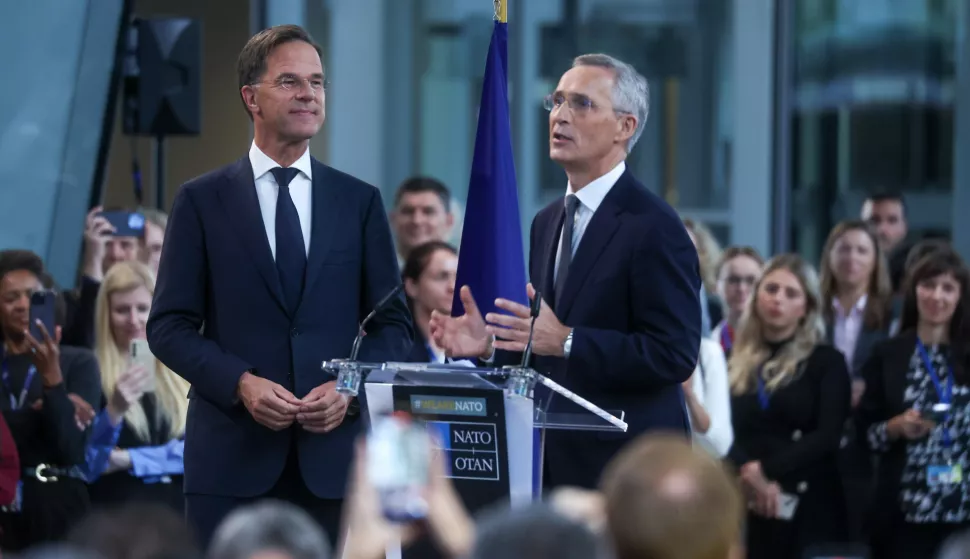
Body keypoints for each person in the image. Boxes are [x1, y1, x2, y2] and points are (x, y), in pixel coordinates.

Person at [146, 24, 412, 546]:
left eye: (317, 82)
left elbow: (394, 325)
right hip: (230, 463)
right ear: (251, 97)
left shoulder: (358, 202)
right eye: (290, 81)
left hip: (333, 467)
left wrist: (349, 386)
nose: (309, 94)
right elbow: (168, 326)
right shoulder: (200, 200)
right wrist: (240, 382)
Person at [429, 53, 701, 490]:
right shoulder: (548, 219)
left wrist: (571, 340)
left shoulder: (654, 225)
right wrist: (488, 347)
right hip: (553, 462)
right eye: (556, 102)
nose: (560, 116)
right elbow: (541, 345)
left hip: (630, 470)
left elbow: (674, 353)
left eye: (582, 104)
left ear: (625, 127)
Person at [726, 254, 850, 559]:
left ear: (806, 307)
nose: (777, 299)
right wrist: (750, 475)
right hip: (743, 495)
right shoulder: (733, 360)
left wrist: (765, 472)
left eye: (791, 293)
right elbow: (720, 427)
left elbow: (827, 435)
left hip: (805, 499)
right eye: (770, 289)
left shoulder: (826, 361)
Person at [857, 248, 970, 559]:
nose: (937, 296)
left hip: (962, 509)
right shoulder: (888, 354)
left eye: (948, 288)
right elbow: (863, 433)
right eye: (928, 285)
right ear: (913, 291)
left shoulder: (966, 354)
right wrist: (894, 428)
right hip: (903, 509)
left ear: (960, 296)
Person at [84, 261, 189, 513]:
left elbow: (201, 452)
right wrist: (114, 412)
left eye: (142, 308)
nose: (134, 320)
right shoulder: (90, 370)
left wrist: (129, 459)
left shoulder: (181, 369)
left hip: (176, 515)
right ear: (106, 315)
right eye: (122, 310)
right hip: (116, 515)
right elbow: (88, 465)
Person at [401, 241, 458, 363]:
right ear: (412, 286)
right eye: (442, 277)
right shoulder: (396, 344)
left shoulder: (472, 342)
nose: (453, 287)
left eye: (457, 277)